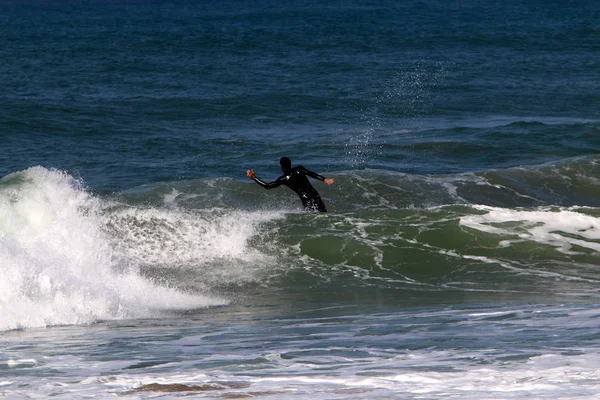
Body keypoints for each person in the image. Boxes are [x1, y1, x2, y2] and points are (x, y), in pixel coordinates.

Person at [246, 157, 334, 212]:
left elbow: (267, 186)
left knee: (313, 216)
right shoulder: (299, 169)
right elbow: (312, 174)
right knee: (323, 213)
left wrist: (254, 178)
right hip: (314, 195)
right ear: (290, 164)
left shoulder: (283, 179)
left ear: (281, 167)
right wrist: (325, 179)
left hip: (306, 200)